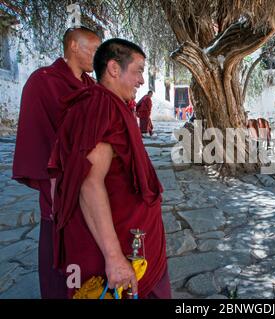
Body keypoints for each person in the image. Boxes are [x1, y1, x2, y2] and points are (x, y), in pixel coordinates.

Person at [48, 38, 170, 299]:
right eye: (138, 71)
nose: (140, 80)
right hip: (119, 246)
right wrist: (114, 257)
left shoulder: (111, 104)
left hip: (134, 234)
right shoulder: (100, 106)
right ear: (114, 68)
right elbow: (89, 183)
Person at [12, 27, 101, 299]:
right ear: (73, 46)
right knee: (59, 245)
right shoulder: (43, 81)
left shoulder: (91, 87)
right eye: (93, 50)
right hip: (58, 182)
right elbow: (36, 133)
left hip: (90, 180)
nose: (97, 58)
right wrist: (53, 182)